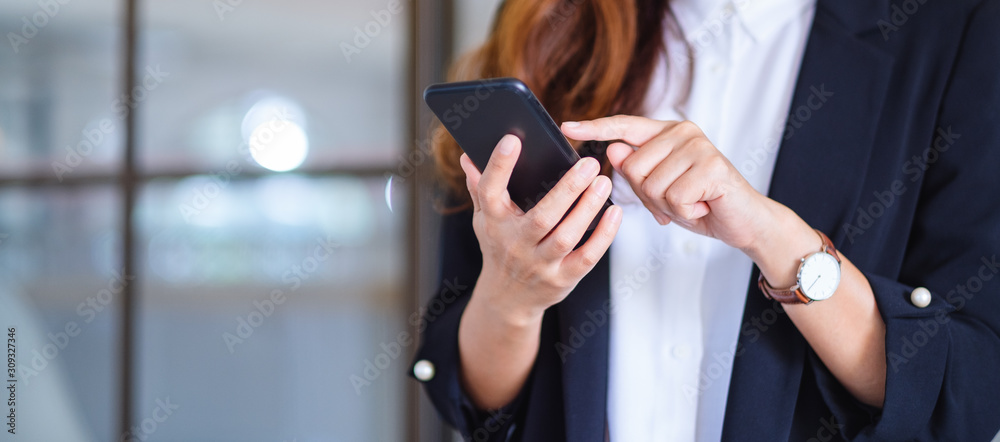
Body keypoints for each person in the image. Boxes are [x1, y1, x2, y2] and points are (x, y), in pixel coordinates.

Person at [411, 0, 1000, 440]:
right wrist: (513, 299)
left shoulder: (954, 31)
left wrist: (774, 239)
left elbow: (968, 386)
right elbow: (472, 400)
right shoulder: (552, 24)